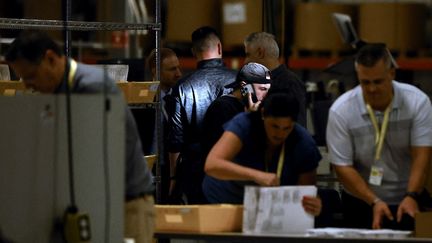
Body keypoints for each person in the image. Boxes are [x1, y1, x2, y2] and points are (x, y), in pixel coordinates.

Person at [5, 30, 154, 243]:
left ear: (50, 59)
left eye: (30, 77)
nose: (28, 85)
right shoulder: (56, 92)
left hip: (124, 207)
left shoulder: (91, 88)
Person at [326, 43, 432, 230]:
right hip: (361, 200)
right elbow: (342, 167)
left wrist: (412, 195)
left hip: (408, 198)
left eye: (378, 81)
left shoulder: (417, 102)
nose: (372, 89)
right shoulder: (341, 111)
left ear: (392, 73)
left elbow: (421, 156)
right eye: (365, 82)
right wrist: (373, 201)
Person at [203, 90, 322, 217]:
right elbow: (212, 165)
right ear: (263, 114)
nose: (280, 134)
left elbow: (307, 192)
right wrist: (257, 176)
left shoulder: (304, 142)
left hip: (269, 209)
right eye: (274, 126)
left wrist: (314, 204)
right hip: (224, 198)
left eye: (287, 128)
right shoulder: (244, 124)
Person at [168, 26, 237, 204]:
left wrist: (175, 179)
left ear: (193, 52)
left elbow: (176, 139)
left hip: (195, 171)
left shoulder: (183, 86)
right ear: (220, 48)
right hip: (232, 167)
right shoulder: (238, 81)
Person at [201, 62, 271, 159]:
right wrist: (250, 118)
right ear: (245, 87)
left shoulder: (256, 107)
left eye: (269, 90)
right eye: (263, 89)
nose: (267, 95)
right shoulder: (222, 107)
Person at [243, 32, 307, 127]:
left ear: (260, 52)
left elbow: (297, 126)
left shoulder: (289, 83)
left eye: (248, 55)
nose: (245, 61)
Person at [146, 47, 182, 204]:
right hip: (148, 167)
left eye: (178, 67)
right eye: (172, 69)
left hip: (170, 169)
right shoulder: (143, 100)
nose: (179, 73)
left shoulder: (179, 98)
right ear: (156, 70)